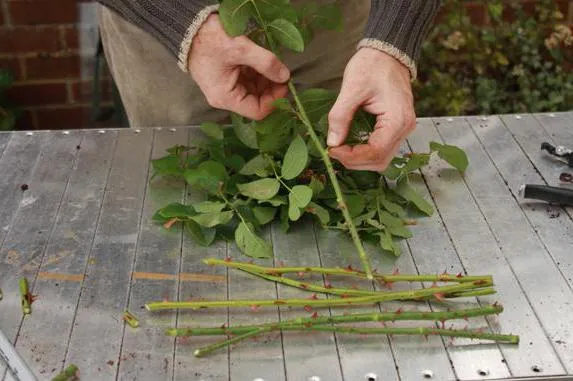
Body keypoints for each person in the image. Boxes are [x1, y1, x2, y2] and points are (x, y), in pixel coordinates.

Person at [96, 0, 440, 171]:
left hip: (325, 17)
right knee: (186, 187)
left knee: (339, 168)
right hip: (168, 23)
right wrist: (182, 27)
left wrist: (393, 41)